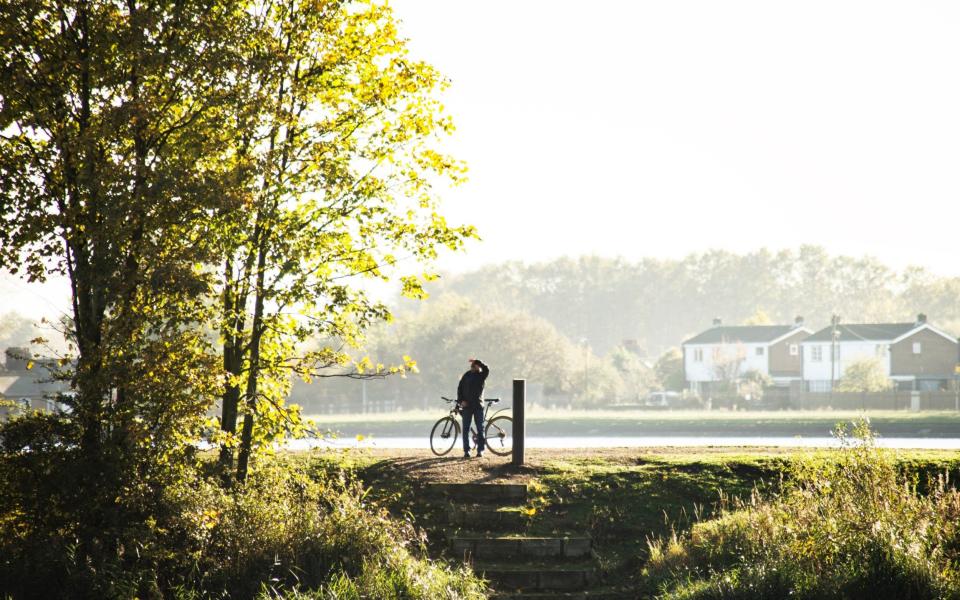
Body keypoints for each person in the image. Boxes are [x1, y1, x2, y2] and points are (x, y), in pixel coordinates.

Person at [457, 358, 489, 458]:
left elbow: (487, 369)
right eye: (472, 366)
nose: (472, 367)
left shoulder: (482, 375)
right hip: (467, 407)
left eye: (474, 366)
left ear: (478, 367)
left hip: (478, 406)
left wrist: (478, 361)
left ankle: (481, 450)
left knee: (480, 429)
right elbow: (460, 388)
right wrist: (461, 401)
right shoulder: (466, 375)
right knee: (465, 429)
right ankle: (467, 451)